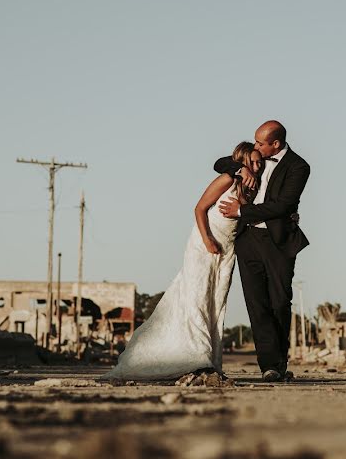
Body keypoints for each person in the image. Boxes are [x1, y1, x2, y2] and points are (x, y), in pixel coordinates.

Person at [106, 142, 263, 380]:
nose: (256, 166)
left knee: (216, 303)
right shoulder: (228, 180)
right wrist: (208, 239)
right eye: (251, 161)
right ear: (241, 161)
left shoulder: (254, 188)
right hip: (204, 246)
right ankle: (197, 358)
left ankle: (211, 358)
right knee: (197, 298)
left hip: (227, 252)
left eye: (259, 162)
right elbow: (199, 209)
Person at [214, 120, 310, 382]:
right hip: (248, 239)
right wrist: (239, 169)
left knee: (279, 301)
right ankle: (269, 366)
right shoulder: (254, 159)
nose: (255, 146)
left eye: (260, 143)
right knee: (256, 304)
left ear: (275, 144)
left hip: (278, 241)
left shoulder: (298, 166)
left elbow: (283, 205)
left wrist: (241, 211)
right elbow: (220, 163)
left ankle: (280, 363)